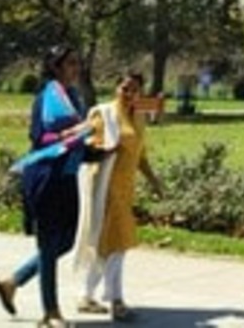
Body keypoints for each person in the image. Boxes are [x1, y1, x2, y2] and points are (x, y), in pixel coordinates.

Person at [0, 45, 92, 328]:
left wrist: (101, 148)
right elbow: (39, 136)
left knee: (67, 241)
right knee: (49, 245)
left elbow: (80, 140)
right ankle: (51, 313)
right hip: (46, 176)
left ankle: (12, 281)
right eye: (70, 63)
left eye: (77, 62)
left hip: (67, 176)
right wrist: (69, 135)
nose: (76, 68)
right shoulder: (46, 97)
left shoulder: (74, 97)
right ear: (56, 67)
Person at [74, 71, 165, 321]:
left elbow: (140, 155)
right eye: (124, 88)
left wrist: (154, 181)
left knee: (109, 244)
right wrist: (102, 147)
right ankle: (116, 300)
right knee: (120, 243)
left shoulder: (138, 118)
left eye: (134, 89)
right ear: (116, 89)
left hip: (125, 190)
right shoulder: (102, 114)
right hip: (104, 187)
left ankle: (86, 295)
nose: (128, 93)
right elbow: (85, 144)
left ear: (140, 92)